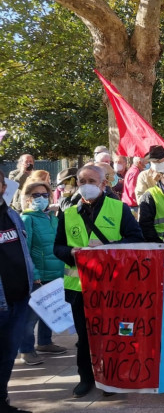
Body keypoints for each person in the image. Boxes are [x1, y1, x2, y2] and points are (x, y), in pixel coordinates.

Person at [53, 165, 144, 397]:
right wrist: (71, 253)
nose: (86, 185)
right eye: (82, 181)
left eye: (92, 181)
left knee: (113, 333)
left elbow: (136, 239)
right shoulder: (69, 212)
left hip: (112, 286)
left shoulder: (119, 209)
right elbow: (58, 247)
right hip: (79, 287)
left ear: (104, 184)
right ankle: (86, 377)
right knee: (85, 336)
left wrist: (107, 249)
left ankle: (112, 377)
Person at [18, 181, 67, 367]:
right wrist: (34, 272)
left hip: (55, 273)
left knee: (49, 311)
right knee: (31, 316)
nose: (41, 199)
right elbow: (25, 250)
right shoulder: (27, 219)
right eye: (36, 195)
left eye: (45, 195)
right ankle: (27, 350)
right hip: (38, 275)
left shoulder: (52, 218)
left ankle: (45, 342)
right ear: (28, 198)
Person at [0, 170, 34, 413]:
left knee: (7, 355)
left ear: (3, 187)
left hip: (19, 299)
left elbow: (24, 252)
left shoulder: (13, 215)